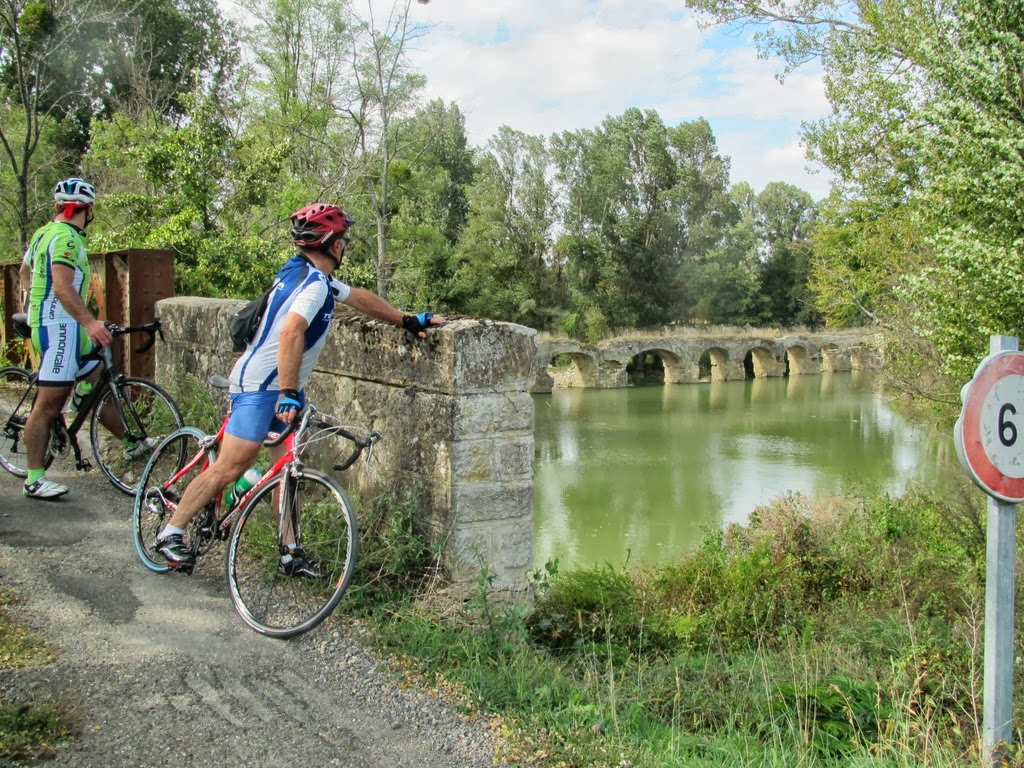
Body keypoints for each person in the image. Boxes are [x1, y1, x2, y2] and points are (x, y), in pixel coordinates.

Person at [154, 203, 446, 573]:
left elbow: (357, 298)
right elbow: (291, 330)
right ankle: (171, 531)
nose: (346, 246)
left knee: (287, 469)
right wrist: (289, 391)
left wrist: (405, 319)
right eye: (344, 240)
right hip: (262, 388)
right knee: (230, 467)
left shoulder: (306, 273)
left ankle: (289, 551)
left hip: (278, 387)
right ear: (333, 245)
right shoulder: (312, 285)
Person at [18, 178, 151, 499]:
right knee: (47, 407)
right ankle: (34, 479)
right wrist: (89, 321)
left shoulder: (43, 233)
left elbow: (25, 273)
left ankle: (131, 442)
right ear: (88, 210)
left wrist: (34, 305)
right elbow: (62, 287)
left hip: (63, 325)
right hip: (58, 329)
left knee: (98, 380)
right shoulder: (65, 238)